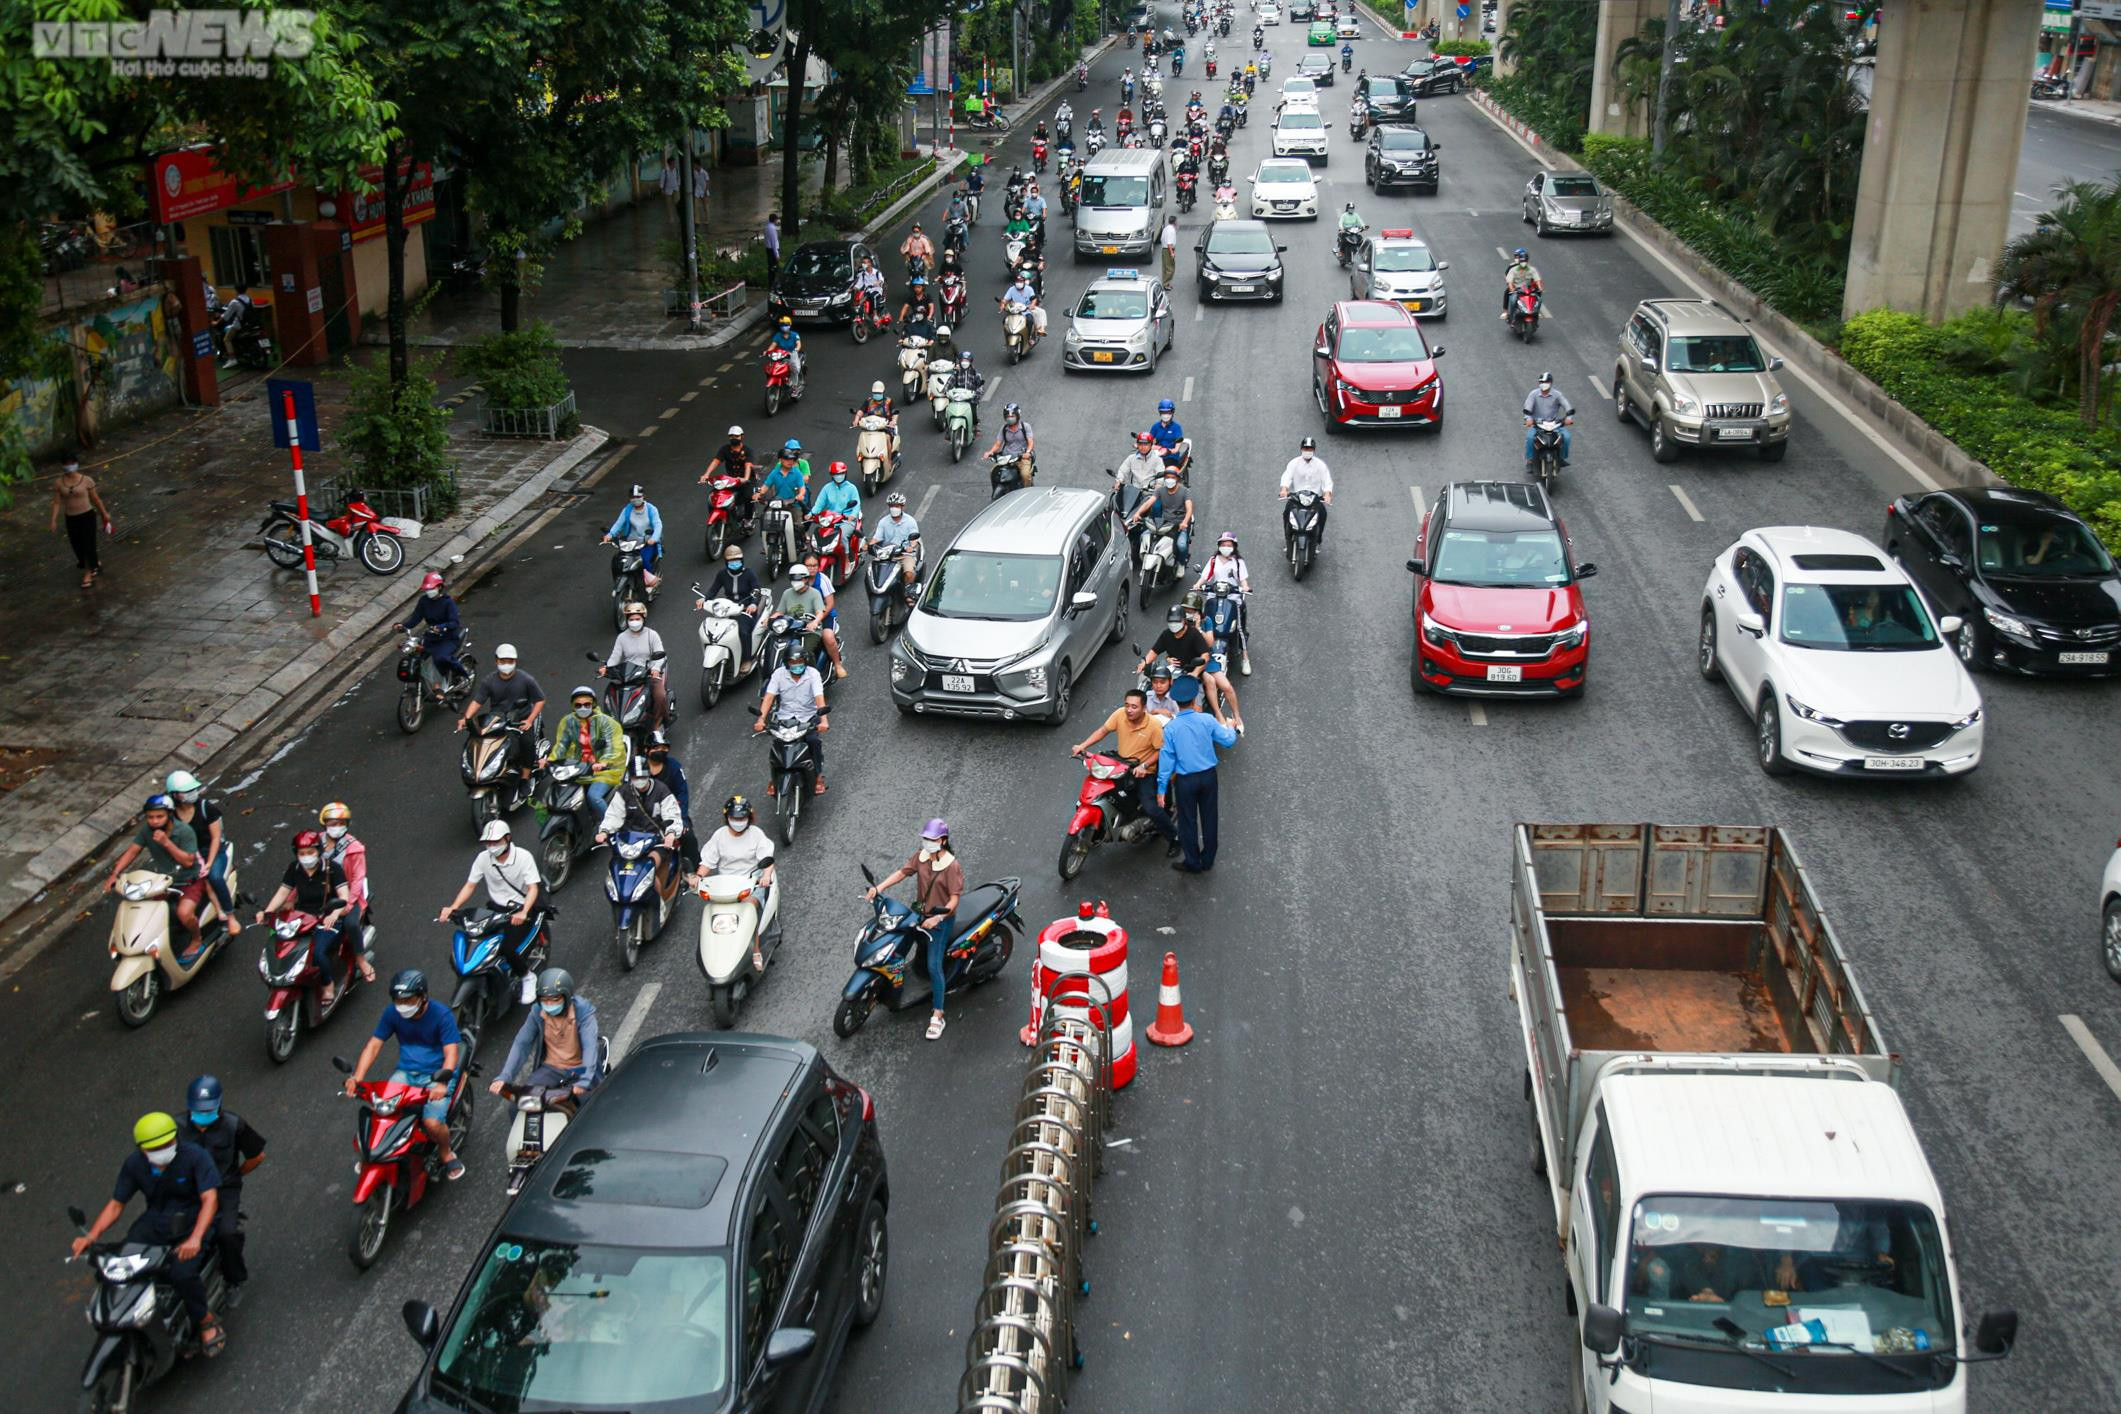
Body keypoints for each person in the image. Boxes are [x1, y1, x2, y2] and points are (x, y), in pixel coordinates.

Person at [71, 1114, 227, 1356]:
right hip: (155, 1222)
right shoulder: (134, 1165)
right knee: (120, 1264)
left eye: (167, 1144)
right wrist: (91, 1236)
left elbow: (210, 1199)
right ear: (142, 1149)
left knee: (182, 1273)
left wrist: (195, 1238)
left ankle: (205, 1320)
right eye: (155, 1148)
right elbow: (116, 1205)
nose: (163, 1150)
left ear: (176, 1138)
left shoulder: (195, 1156)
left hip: (194, 1221)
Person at [344, 970, 467, 1182]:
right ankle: (381, 1151)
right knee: (383, 1111)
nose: (403, 1005)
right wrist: (357, 1078)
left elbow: (451, 1053)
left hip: (437, 1076)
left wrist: (441, 1083)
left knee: (432, 1123)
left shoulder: (442, 1015)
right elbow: (374, 1046)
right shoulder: (393, 1013)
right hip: (406, 1073)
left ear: (423, 997)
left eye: (408, 1000)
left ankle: (446, 1152)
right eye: (398, 1000)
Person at [865, 819, 964, 1040]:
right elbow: (902, 873)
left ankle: (938, 1014)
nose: (927, 842)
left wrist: (938, 918)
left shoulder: (951, 866)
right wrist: (878, 888)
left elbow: (955, 900)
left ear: (943, 841)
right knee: (897, 944)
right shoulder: (921, 856)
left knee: (933, 966)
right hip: (919, 913)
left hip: (940, 920)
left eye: (931, 839)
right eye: (925, 839)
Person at [437, 821, 546, 1003]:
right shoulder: (483, 858)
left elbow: (533, 888)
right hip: (496, 908)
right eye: (488, 843)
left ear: (507, 838)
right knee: (475, 939)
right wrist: (453, 907)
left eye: (495, 842)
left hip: (520, 909)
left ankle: (527, 976)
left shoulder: (523, 857)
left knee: (507, 947)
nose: (492, 846)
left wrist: (524, 912)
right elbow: (470, 885)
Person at [178, 1076, 264, 1297]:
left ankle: (235, 1278)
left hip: (224, 1187)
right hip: (189, 1188)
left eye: (207, 1110)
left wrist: (235, 1175)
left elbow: (256, 1156)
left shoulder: (234, 1125)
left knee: (227, 1234)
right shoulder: (176, 1127)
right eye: (198, 1111)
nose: (201, 1117)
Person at [254, 829, 361, 1001]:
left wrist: (334, 914)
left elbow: (344, 896)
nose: (306, 857)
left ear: (318, 851)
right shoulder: (294, 868)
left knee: (318, 953)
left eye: (310, 852)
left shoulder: (332, 868)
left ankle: (328, 984)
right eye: (302, 853)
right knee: (283, 947)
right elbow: (282, 893)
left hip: (327, 918)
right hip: (301, 919)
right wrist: (267, 912)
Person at [1070, 688, 1180, 855]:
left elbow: (1161, 751)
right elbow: (1103, 731)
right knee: (1100, 793)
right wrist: (1083, 746)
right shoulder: (1120, 714)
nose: (1129, 710)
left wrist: (1143, 766)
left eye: (1134, 707)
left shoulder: (1154, 726)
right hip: (1121, 765)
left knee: (1151, 807)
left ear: (1144, 708)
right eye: (1127, 705)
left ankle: (1174, 839)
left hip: (1144, 771)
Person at [105, 794, 206, 957]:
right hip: (163, 882)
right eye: (150, 817)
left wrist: (166, 842)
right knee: (148, 913)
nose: (154, 821)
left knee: (184, 913)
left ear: (169, 815)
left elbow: (188, 862)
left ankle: (196, 939)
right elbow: (132, 851)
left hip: (188, 881)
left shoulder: (184, 831)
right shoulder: (146, 831)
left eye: (159, 817)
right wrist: (115, 874)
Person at [1157, 674, 1238, 873]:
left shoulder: (1171, 729)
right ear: (1194, 699)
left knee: (1187, 821)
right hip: (1209, 777)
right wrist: (1231, 727)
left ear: (1176, 701)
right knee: (1210, 818)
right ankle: (1208, 859)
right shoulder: (1207, 720)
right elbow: (1227, 740)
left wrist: (1161, 789)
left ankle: (1192, 861)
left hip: (1185, 781)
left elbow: (1167, 762)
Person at [492, 967, 603, 1100]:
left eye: (555, 999)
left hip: (580, 1069)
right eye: (545, 1000)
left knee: (586, 1107)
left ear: (567, 997)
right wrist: (505, 1076)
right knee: (521, 1105)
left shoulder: (583, 1013)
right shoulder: (537, 1012)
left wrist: (584, 1081)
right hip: (552, 1068)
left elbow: (589, 1048)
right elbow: (522, 1044)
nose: (549, 1004)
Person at [695, 795, 778, 969]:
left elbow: (767, 859)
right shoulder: (719, 836)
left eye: (742, 818)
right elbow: (708, 861)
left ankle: (755, 949)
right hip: (726, 887)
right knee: (711, 913)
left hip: (751, 885)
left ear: (749, 818)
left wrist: (765, 876)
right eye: (734, 818)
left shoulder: (756, 835)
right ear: (727, 818)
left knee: (749, 909)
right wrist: (698, 877)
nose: (738, 821)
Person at [458, 643, 545, 796]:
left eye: (510, 661)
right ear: (496, 661)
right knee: (483, 741)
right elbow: (477, 701)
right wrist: (466, 718)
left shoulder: (526, 679)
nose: (506, 665)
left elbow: (540, 700)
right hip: (497, 719)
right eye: (503, 661)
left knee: (526, 743)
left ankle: (525, 778)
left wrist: (530, 720)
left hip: (521, 719)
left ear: (515, 662)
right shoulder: (489, 681)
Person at [167, 769, 239, 937]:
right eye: (187, 792)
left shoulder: (207, 808)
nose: (192, 794)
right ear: (175, 795)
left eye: (193, 790)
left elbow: (216, 838)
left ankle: (230, 916)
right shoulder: (172, 816)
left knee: (213, 877)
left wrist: (208, 863)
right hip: (190, 855)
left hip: (213, 852)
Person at [756, 639, 830, 794]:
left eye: (800, 661)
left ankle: (817, 776)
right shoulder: (779, 674)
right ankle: (774, 778)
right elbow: (769, 697)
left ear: (805, 661)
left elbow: (819, 697)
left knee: (813, 741)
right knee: (778, 745)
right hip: (785, 718)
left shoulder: (813, 674)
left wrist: (823, 720)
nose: (797, 664)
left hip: (808, 717)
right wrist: (761, 719)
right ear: (787, 662)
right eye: (793, 662)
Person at [596, 754, 683, 883]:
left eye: (643, 777)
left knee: (648, 869)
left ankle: (660, 902)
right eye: (636, 777)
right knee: (616, 871)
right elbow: (614, 815)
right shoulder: (623, 792)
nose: (640, 780)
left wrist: (671, 833)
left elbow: (672, 815)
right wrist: (604, 831)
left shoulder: (662, 791)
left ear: (648, 775)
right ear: (630, 777)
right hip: (628, 843)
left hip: (655, 842)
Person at [550, 684, 629, 815]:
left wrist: (604, 762)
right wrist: (549, 761)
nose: (583, 708)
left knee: (594, 797)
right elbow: (561, 745)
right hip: (578, 768)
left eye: (587, 704)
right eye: (578, 705)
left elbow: (612, 746)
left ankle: (611, 826)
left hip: (605, 769)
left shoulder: (605, 722)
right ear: (573, 706)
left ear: (593, 704)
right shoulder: (568, 722)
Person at [603, 598, 670, 732]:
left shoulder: (652, 635)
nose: (634, 622)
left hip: (648, 673)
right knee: (611, 694)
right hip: (628, 674)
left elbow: (660, 654)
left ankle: (657, 723)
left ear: (643, 618)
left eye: (637, 618)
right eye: (631, 619)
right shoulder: (622, 637)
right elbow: (615, 657)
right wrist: (606, 668)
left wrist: (655, 669)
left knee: (660, 696)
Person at [392, 569, 466, 690]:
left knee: (440, 657)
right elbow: (415, 619)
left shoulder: (448, 603)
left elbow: (454, 622)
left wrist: (441, 628)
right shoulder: (424, 601)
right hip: (431, 637)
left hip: (448, 638)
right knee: (417, 657)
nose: (429, 592)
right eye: (427, 589)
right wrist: (403, 626)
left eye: (432, 589)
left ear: (440, 587)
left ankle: (451, 679)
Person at [1196, 531, 1255, 674]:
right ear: (1219, 546)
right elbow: (1205, 576)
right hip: (1213, 596)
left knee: (1239, 627)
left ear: (1234, 546)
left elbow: (1243, 579)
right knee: (1203, 623)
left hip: (1232, 597)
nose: (1226, 547)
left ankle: (1245, 659)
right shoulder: (1213, 560)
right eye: (1223, 544)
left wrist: (1245, 587)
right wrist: (1197, 584)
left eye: (1229, 545)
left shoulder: (1238, 562)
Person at [50, 451, 111, 587]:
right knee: (77, 546)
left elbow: (95, 499)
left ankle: (88, 573)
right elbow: (57, 502)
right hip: (71, 518)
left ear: (76, 463)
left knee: (88, 544)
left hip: (87, 516)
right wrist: (53, 520)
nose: (69, 466)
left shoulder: (86, 480)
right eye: (67, 463)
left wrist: (104, 513)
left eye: (72, 463)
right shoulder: (59, 483)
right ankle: (93, 563)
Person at [703, 542, 769, 660]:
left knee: (743, 632)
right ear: (726, 562)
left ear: (742, 560)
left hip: (745, 609)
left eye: (737, 560)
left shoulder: (749, 573)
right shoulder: (722, 574)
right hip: (727, 609)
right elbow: (713, 590)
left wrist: (753, 604)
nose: (734, 563)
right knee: (716, 631)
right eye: (731, 561)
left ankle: (746, 659)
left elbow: (757, 591)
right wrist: (704, 599)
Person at [317, 799, 372, 934]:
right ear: (325, 824)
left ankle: (359, 955)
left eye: (342, 823)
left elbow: (358, 879)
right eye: (334, 823)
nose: (338, 826)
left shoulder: (355, 848)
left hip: (346, 894)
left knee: (351, 925)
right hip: (319, 892)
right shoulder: (315, 842)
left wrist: (348, 905)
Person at [644, 729, 696, 869]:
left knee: (688, 837)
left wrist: (683, 819)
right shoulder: (639, 769)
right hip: (645, 818)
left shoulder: (674, 766)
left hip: (672, 814)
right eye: (656, 748)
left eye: (663, 748)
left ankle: (694, 872)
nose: (660, 751)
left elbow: (682, 793)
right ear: (646, 750)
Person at [1127, 468, 1196, 571]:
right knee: (1143, 536)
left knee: (1181, 545)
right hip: (1164, 523)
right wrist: (1138, 513)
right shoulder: (1160, 491)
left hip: (1179, 525)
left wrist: (1185, 522)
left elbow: (1189, 509)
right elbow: (1148, 503)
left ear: (1177, 479)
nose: (1169, 480)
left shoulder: (1185, 492)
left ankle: (1181, 564)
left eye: (1172, 478)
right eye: (1167, 477)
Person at [602, 483, 665, 587]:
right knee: (619, 559)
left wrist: (653, 538)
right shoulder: (627, 510)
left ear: (643, 496)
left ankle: (649, 582)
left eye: (638, 497)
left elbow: (658, 525)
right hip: (631, 542)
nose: (635, 499)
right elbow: (619, 523)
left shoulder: (651, 509)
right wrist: (610, 534)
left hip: (647, 542)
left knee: (643, 559)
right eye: (633, 497)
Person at [1279, 435, 1334, 551]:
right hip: (1296, 498)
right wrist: (1284, 489)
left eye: (1310, 449)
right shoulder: (1294, 463)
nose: (1307, 451)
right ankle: (1288, 539)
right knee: (1286, 514)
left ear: (1313, 450)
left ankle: (1317, 540)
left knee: (1322, 514)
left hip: (1314, 499)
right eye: (1305, 449)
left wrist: (1327, 494)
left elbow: (1326, 481)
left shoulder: (1320, 465)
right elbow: (1287, 476)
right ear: (1301, 449)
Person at [872, 491, 923, 608]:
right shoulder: (883, 522)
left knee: (909, 573)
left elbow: (914, 539)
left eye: (897, 506)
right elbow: (876, 538)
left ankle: (907, 592)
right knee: (874, 571)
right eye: (892, 506)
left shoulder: (910, 521)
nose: (894, 508)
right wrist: (868, 546)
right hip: (887, 554)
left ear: (902, 507)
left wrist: (911, 547)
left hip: (904, 554)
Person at [701, 425, 757, 527]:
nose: (734, 438)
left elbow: (748, 465)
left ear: (741, 437)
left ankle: (748, 519)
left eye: (736, 436)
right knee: (714, 495)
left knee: (749, 497)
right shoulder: (725, 449)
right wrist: (706, 474)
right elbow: (716, 462)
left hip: (746, 480)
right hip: (731, 480)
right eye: (731, 436)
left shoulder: (748, 450)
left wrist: (745, 478)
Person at [1522, 371, 1575, 467]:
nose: (1543, 384)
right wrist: (1528, 419)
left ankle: (1561, 458)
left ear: (1550, 383)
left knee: (1566, 437)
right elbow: (1527, 409)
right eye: (1541, 382)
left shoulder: (1557, 395)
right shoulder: (1533, 394)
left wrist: (1569, 418)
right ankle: (1530, 460)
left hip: (1554, 424)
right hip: (1537, 424)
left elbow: (1567, 406)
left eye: (1546, 382)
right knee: (1530, 438)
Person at [985, 402, 1036, 487]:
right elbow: (998, 444)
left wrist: (1027, 452)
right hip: (1007, 457)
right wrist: (990, 452)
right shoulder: (1004, 428)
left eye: (1012, 416)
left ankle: (1026, 492)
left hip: (1022, 457)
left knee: (1025, 475)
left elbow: (1031, 442)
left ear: (1017, 416)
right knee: (993, 472)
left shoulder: (1025, 427)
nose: (1010, 418)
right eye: (1008, 417)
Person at [853, 379, 902, 463]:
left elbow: (895, 413)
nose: (877, 395)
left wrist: (893, 421)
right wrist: (856, 419)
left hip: (885, 427)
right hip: (870, 428)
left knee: (887, 438)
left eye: (879, 393)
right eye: (875, 393)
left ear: (883, 392)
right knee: (863, 438)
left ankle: (889, 460)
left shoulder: (889, 401)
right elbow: (861, 411)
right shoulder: (868, 401)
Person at [999, 271, 1043, 347]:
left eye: (1020, 281)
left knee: (1029, 319)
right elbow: (1005, 299)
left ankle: (1030, 337)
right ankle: (1007, 339)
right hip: (1014, 311)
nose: (1018, 283)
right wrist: (1002, 305)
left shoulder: (1029, 289)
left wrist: (1032, 305)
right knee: (1005, 321)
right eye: (1017, 281)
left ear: (1023, 282)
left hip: (1026, 310)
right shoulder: (1011, 289)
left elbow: (1034, 299)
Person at [1148, 397, 1190, 472]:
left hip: (1171, 457)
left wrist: (1168, 451)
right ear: (1160, 413)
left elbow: (1176, 449)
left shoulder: (1176, 427)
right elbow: (1149, 441)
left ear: (1172, 412)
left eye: (1168, 412)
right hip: (1157, 456)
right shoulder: (1156, 426)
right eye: (1163, 412)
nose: (1166, 415)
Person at [768, 312, 805, 393]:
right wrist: (767, 351)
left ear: (790, 325)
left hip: (793, 355)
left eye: (786, 325)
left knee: (794, 369)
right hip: (781, 356)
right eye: (782, 325)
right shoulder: (778, 335)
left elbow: (798, 344)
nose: (784, 327)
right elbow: (773, 345)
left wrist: (796, 350)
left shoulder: (795, 335)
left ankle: (795, 387)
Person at [1502, 247, 1541, 318]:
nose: (1516, 258)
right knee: (1507, 292)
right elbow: (1506, 275)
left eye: (1518, 256)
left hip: (1527, 286)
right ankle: (1506, 312)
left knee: (1538, 294)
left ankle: (1536, 310)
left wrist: (1536, 286)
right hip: (1516, 286)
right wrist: (1510, 284)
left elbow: (1534, 277)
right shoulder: (1512, 266)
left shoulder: (1529, 268)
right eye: (1516, 256)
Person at [1159, 214, 1180, 288]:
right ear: (1174, 222)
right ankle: (1166, 284)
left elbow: (1162, 239)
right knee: (1170, 268)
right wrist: (1172, 253)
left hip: (1164, 249)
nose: (1177, 222)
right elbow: (1169, 243)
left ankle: (1166, 283)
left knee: (1165, 267)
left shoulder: (1166, 228)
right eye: (1177, 221)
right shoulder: (1171, 230)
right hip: (1168, 250)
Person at [762, 211, 781, 286]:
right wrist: (777, 255)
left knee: (770, 267)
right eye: (777, 220)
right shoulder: (772, 229)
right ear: (774, 220)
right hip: (772, 250)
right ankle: (774, 283)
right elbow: (774, 242)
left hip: (768, 249)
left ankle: (771, 282)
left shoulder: (766, 227)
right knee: (774, 267)